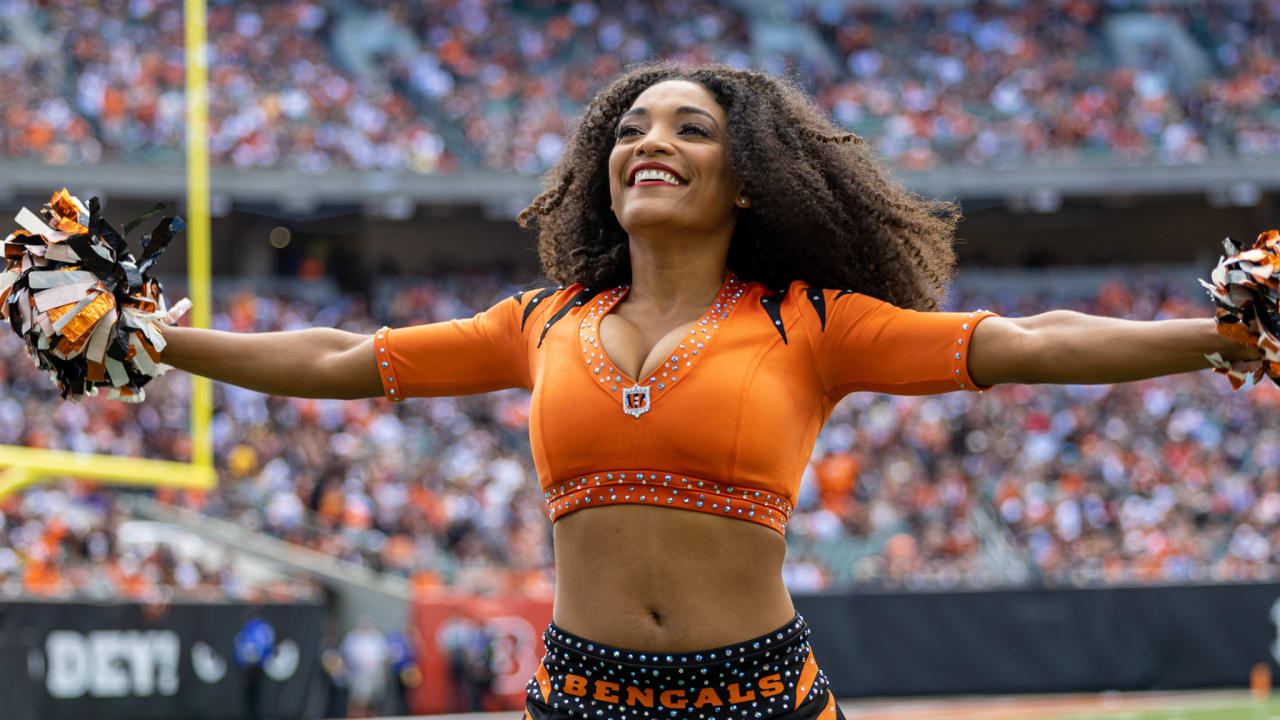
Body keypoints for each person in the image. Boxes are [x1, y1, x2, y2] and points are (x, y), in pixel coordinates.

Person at [156, 62, 1260, 720]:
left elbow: (1027, 341)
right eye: (630, 128)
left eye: (691, 129)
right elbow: (339, 360)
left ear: (747, 184)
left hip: (760, 695)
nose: (651, 141)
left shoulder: (808, 324)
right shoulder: (538, 326)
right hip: (581, 696)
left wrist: (1224, 333)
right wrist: (161, 340)